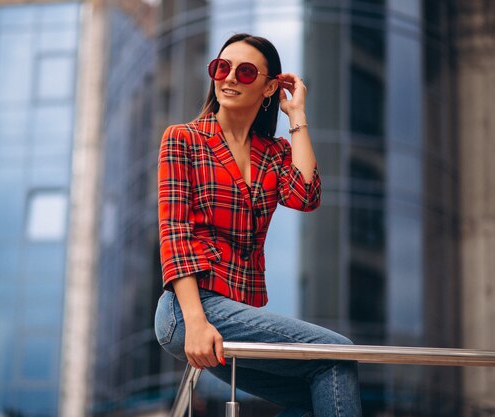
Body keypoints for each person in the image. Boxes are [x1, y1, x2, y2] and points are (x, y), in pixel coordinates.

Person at [154, 33, 362, 417]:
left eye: (245, 71)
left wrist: (296, 116)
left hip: (237, 310)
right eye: (221, 67)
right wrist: (196, 322)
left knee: (314, 392)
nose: (229, 78)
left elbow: (306, 195)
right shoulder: (183, 139)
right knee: (337, 354)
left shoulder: (274, 153)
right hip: (190, 309)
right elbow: (175, 234)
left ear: (269, 87)